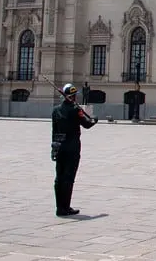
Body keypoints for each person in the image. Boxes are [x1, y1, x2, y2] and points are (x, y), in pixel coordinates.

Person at [51, 83, 98, 217]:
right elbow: (87, 124)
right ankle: (65, 207)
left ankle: (59, 207)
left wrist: (53, 148)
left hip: (58, 146)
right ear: (74, 96)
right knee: (68, 178)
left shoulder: (56, 110)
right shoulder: (74, 110)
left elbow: (54, 131)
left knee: (58, 178)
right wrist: (94, 120)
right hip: (72, 148)